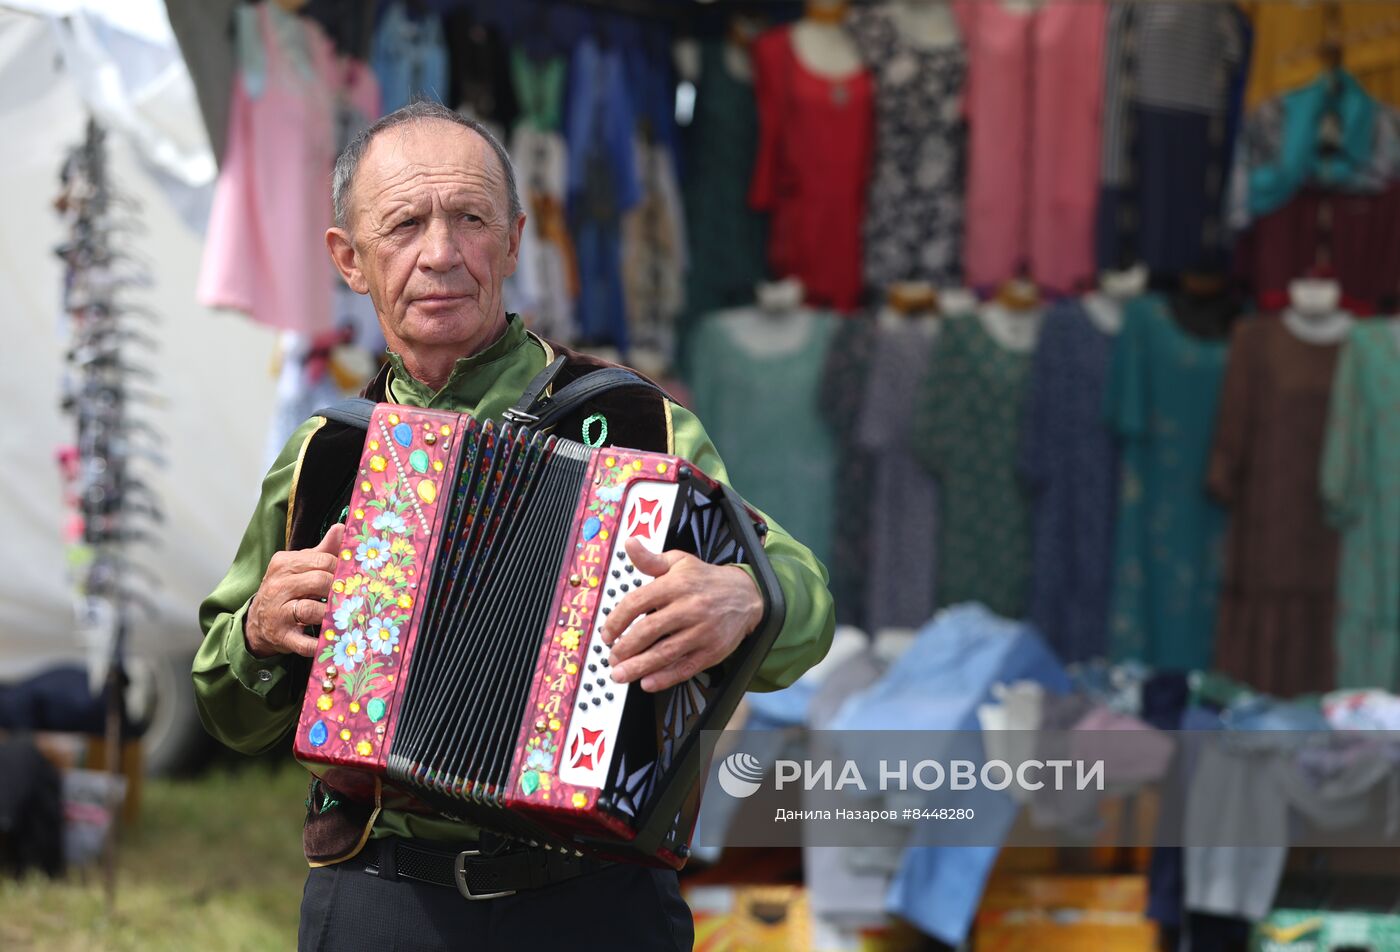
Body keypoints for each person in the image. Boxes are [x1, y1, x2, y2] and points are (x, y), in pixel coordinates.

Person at [193, 100, 835, 951]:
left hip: (596, 899)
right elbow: (230, 710)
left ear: (514, 240)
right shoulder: (327, 457)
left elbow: (808, 607)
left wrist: (747, 597)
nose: (440, 254)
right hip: (385, 902)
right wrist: (260, 634)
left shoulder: (635, 422)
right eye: (404, 224)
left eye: (470, 219)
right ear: (348, 259)